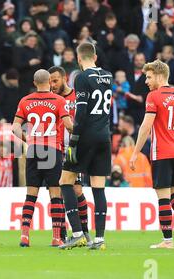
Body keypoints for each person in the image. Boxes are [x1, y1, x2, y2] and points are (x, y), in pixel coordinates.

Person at [130, 59, 174, 249]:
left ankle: (168, 240)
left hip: (161, 152)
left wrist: (135, 152)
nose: (146, 81)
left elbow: (146, 126)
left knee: (163, 197)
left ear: (160, 76)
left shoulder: (154, 96)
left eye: (149, 77)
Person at [59, 42, 113, 251]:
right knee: (98, 188)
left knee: (65, 180)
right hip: (104, 136)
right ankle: (99, 239)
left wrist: (74, 139)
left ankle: (78, 234)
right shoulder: (107, 75)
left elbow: (81, 113)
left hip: (86, 137)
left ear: (79, 59)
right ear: (96, 57)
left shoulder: (81, 77)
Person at [12, 69, 74, 248]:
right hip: (53, 150)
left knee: (31, 195)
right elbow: (68, 125)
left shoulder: (25, 101)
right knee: (55, 194)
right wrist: (77, 134)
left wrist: (28, 139)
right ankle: (56, 237)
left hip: (33, 150)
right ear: (49, 81)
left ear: (34, 82)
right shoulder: (59, 100)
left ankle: (24, 236)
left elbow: (15, 127)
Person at [48, 65, 92, 245]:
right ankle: (65, 233)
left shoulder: (77, 96)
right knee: (59, 191)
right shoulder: (50, 99)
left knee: (77, 190)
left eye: (55, 80)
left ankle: (85, 231)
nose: (52, 85)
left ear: (65, 78)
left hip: (76, 148)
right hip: (56, 149)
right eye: (50, 81)